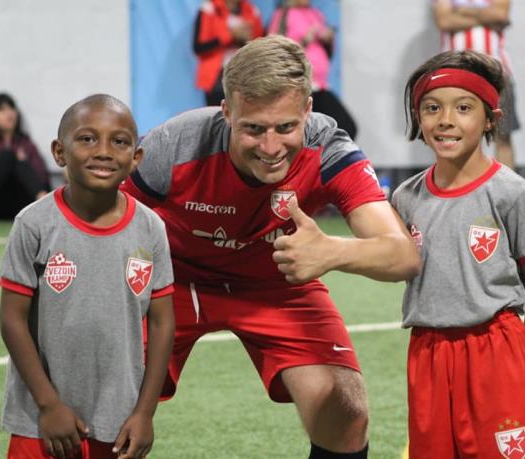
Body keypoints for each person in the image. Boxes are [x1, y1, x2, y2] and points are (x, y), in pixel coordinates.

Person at [121, 35, 421, 458]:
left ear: (307, 110)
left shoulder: (329, 149)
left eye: (285, 127)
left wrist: (332, 253)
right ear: (227, 112)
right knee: (107, 398)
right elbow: (109, 225)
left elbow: (402, 254)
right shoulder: (175, 144)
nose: (270, 147)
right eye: (253, 129)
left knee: (344, 410)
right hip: (176, 282)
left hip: (276, 283)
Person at [393, 50, 525, 458]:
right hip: (428, 353)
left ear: (489, 119)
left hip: (496, 350)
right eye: (432, 108)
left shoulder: (511, 192)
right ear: (417, 118)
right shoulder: (405, 198)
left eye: (463, 108)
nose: (445, 120)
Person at [0, 94, 175, 459]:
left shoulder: (151, 228)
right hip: (40, 419)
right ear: (59, 152)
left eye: (120, 141)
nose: (104, 151)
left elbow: (162, 324)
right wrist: (49, 405)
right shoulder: (33, 224)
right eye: (87, 138)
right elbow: (12, 320)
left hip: (119, 421)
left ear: (136, 158)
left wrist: (145, 413)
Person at [432, 0, 519, 169]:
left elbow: (500, 15)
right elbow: (444, 21)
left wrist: (461, 11)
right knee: (453, 134)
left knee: (503, 135)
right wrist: (485, 15)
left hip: (496, 71)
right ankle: (460, 184)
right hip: (454, 73)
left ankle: (506, 186)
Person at [267, 0, 358, 139]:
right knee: (339, 128)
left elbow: (327, 49)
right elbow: (274, 50)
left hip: (320, 85)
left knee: (344, 127)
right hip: (298, 87)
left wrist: (327, 39)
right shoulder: (283, 15)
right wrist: (304, 40)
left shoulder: (315, 13)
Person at [0, 93, 50, 224]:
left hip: (24, 202)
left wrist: (23, 163)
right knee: (7, 156)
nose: (9, 114)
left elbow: (42, 177)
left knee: (20, 161)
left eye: (11, 109)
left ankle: (48, 209)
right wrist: (9, 160)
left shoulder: (26, 143)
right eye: (2, 110)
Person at [193, 0, 264, 106]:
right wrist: (230, 35)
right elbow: (199, 47)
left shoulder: (251, 10)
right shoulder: (208, 9)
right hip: (216, 78)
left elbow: (260, 45)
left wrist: (247, 39)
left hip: (244, 74)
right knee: (217, 113)